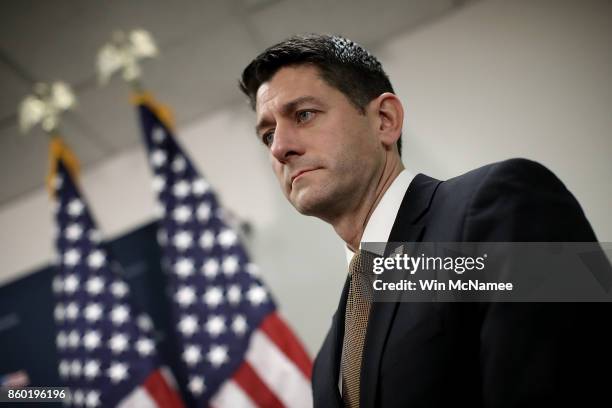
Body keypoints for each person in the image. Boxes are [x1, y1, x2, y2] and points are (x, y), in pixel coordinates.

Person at [238, 34, 611, 407]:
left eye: (303, 115)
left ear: (385, 120)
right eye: (268, 134)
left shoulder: (504, 202)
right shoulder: (327, 364)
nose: (280, 147)